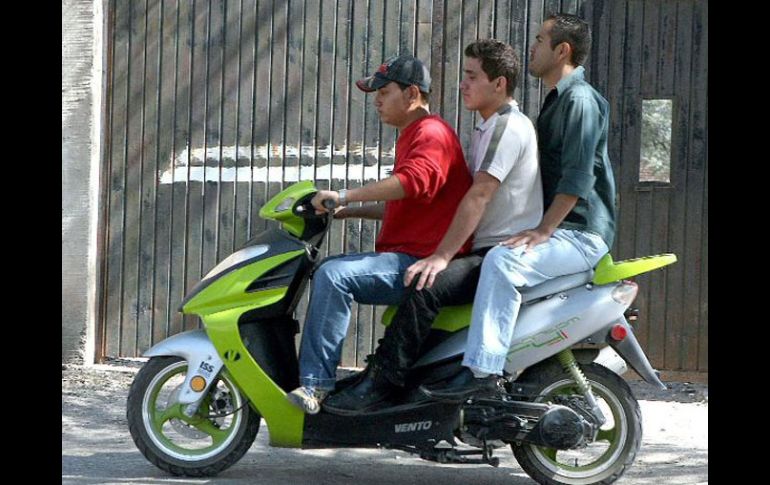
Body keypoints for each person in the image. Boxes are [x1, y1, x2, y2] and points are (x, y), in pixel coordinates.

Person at [323, 39, 543, 414]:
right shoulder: (485, 129)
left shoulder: (507, 128)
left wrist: (441, 256)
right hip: (485, 251)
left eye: (472, 77)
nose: (463, 85)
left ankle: (382, 383)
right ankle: (404, 378)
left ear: (499, 84)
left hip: (498, 253)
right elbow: (438, 204)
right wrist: (353, 211)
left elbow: (477, 198)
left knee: (425, 285)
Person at [421, 13, 618, 400]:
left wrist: (543, 231)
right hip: (563, 229)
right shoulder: (556, 100)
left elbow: (577, 179)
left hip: (579, 233)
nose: (533, 47)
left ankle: (482, 374)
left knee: (502, 262)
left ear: (562, 50)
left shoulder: (578, 101)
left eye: (541, 40)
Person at [286, 54, 473, 414]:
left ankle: (316, 386)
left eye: (384, 92)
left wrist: (345, 194)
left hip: (421, 263)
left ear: (412, 93)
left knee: (334, 275)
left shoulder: (431, 134)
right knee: (332, 271)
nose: (376, 100)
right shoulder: (414, 136)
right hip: (412, 255)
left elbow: (411, 184)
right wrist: (347, 211)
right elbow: (405, 202)